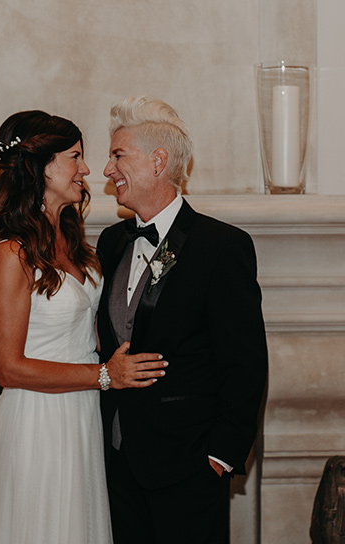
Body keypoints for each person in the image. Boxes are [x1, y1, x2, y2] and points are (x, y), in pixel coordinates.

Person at [0, 110, 167, 544]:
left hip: (82, 415)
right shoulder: (10, 253)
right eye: (75, 156)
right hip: (39, 420)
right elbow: (8, 369)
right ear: (42, 166)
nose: (87, 170)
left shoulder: (75, 242)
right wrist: (107, 375)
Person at [96, 96, 268, 544]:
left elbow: (245, 363)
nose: (107, 170)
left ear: (158, 161)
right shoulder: (111, 242)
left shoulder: (221, 247)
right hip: (116, 464)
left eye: (118, 155)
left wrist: (220, 456)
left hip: (189, 468)